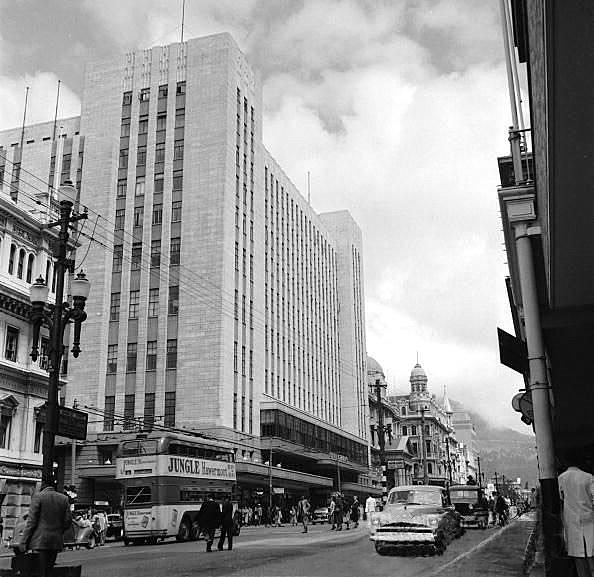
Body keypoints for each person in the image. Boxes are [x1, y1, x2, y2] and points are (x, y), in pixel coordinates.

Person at [19, 482, 72, 577]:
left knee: (39, 571)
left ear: (42, 488)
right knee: (49, 570)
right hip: (55, 541)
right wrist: (59, 531)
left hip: (40, 541)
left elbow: (31, 522)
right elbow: (68, 521)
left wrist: (23, 541)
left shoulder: (38, 497)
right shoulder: (63, 498)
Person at [558, 455, 594, 577]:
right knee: (591, 554)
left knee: (579, 559)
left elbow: (560, 498)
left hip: (572, 521)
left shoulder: (561, 478)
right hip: (590, 520)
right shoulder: (588, 477)